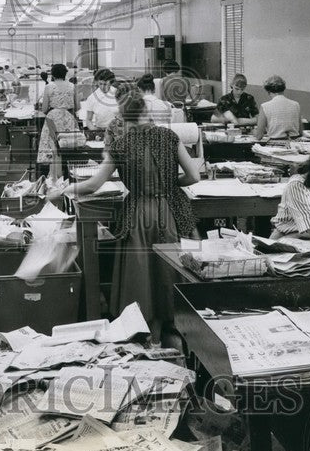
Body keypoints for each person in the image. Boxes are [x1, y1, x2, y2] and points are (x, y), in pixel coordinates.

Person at [50, 90, 200, 341]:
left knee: (142, 274)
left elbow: (93, 185)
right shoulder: (170, 137)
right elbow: (194, 176)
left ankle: (146, 331)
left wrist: (65, 188)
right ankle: (171, 328)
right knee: (167, 270)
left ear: (123, 116)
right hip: (168, 212)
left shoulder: (122, 145)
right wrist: (170, 184)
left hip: (139, 214)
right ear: (147, 112)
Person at [36, 63, 79, 177]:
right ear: (65, 74)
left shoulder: (49, 87)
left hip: (52, 119)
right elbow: (78, 107)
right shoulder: (72, 86)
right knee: (68, 146)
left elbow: (44, 108)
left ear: (53, 75)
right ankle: (69, 176)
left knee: (52, 148)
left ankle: (54, 177)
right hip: (68, 117)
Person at [253, 75, 302, 140]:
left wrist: (254, 132)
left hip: (275, 145)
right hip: (294, 144)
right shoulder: (296, 104)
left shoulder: (265, 106)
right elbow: (300, 132)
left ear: (268, 91)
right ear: (283, 89)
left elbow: (259, 136)